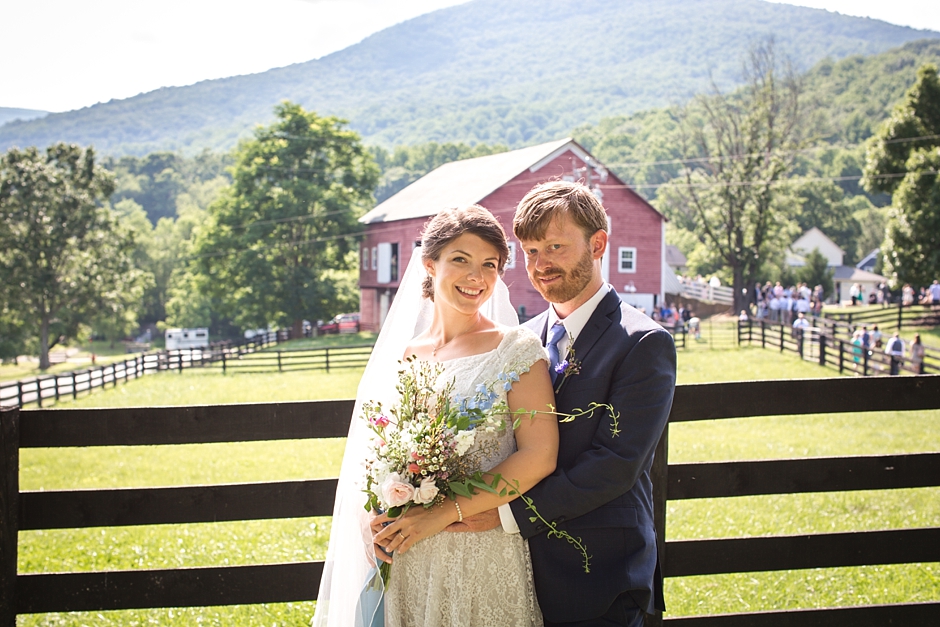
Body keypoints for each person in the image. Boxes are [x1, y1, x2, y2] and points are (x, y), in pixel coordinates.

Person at [314, 205, 557, 627]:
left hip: (479, 552)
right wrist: (373, 516)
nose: (476, 277)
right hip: (409, 555)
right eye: (460, 260)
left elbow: (539, 455)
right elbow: (375, 454)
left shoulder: (517, 349)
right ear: (430, 264)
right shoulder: (407, 355)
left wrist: (445, 512)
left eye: (489, 265)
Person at [449, 181, 677, 627]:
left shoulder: (642, 342)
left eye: (555, 246)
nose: (541, 264)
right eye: (531, 252)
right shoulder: (520, 340)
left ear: (598, 244)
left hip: (597, 571)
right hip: (513, 569)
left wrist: (505, 514)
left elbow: (615, 463)